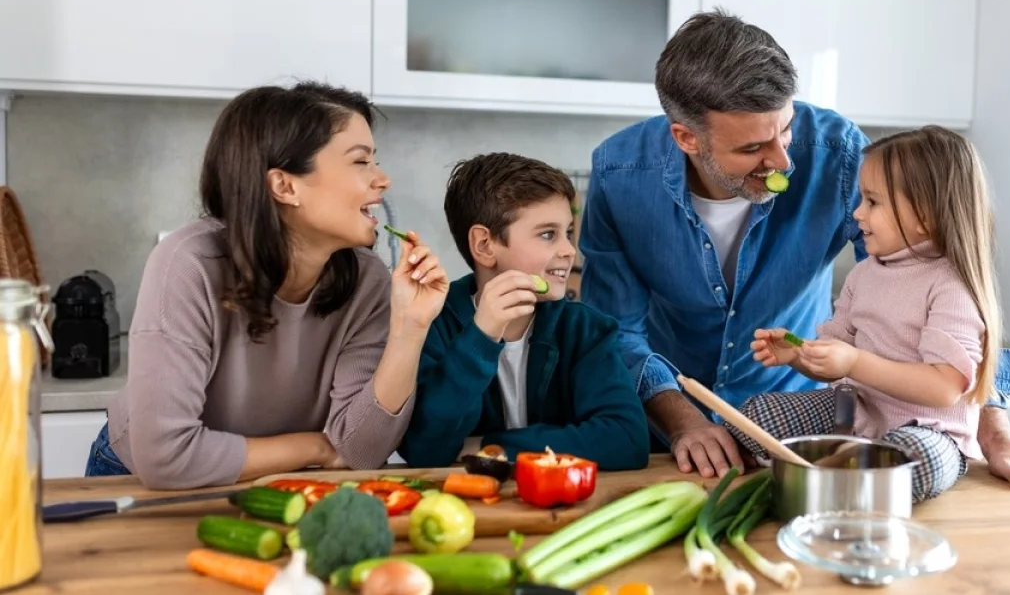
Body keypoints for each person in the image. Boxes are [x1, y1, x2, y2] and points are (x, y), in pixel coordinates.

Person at [579, 9, 1010, 494]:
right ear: (687, 138)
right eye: (753, 149)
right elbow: (615, 331)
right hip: (672, 425)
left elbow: (939, 288)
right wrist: (685, 421)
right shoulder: (621, 175)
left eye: (786, 129)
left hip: (809, 435)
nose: (781, 159)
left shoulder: (838, 155)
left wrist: (993, 431)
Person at [85, 82, 449, 489]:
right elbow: (167, 458)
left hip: (277, 481)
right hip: (139, 480)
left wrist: (410, 328)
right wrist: (314, 448)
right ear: (285, 186)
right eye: (361, 161)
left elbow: (361, 451)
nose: (382, 180)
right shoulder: (187, 264)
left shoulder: (368, 280)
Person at [730, 126, 999, 502]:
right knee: (754, 416)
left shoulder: (950, 286)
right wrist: (798, 354)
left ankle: (845, 468)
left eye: (872, 202)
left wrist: (854, 362)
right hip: (855, 413)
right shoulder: (865, 272)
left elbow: (944, 388)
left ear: (925, 214)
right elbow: (837, 354)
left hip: (930, 430)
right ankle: (852, 465)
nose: (857, 213)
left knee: (911, 457)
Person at [396, 153, 649, 470]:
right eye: (548, 234)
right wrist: (481, 337)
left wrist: (493, 447)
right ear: (485, 245)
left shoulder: (586, 330)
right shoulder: (433, 324)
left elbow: (627, 440)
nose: (569, 250)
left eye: (568, 232)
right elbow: (424, 449)